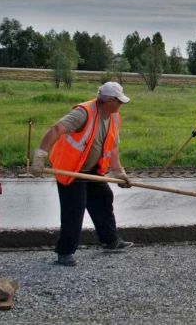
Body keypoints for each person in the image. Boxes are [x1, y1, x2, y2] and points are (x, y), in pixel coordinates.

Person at [29, 81, 133, 267]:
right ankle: (65, 252)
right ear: (109, 100)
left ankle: (110, 241)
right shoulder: (83, 113)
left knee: (104, 198)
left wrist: (119, 172)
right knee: (74, 208)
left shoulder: (115, 117)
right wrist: (39, 156)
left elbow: (113, 147)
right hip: (70, 169)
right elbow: (56, 129)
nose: (121, 104)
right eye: (119, 101)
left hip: (92, 170)